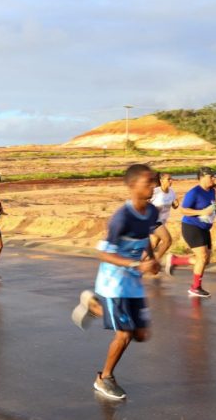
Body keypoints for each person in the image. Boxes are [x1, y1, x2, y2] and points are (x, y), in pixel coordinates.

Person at [71, 164, 160, 400]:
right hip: (114, 282)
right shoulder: (122, 217)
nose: (153, 186)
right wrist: (136, 265)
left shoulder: (151, 212)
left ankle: (94, 307)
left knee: (142, 334)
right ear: (132, 186)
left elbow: (146, 237)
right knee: (125, 334)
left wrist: (151, 258)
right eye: (148, 182)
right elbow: (104, 253)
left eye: (154, 181)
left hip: (133, 281)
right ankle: (104, 378)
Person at [165, 167, 216, 297]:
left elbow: (211, 207)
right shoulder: (194, 193)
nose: (214, 179)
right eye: (211, 177)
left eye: (214, 176)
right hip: (191, 227)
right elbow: (183, 210)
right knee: (202, 258)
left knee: (205, 260)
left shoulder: (212, 191)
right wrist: (201, 212)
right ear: (202, 177)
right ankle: (195, 287)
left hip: (204, 228)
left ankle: (175, 260)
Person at [149, 172, 179, 268]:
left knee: (153, 244)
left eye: (171, 179)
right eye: (168, 179)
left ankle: (140, 262)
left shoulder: (172, 192)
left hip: (162, 222)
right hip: (153, 220)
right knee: (167, 241)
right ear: (161, 181)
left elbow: (174, 206)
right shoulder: (155, 192)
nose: (171, 181)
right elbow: (145, 203)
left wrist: (176, 204)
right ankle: (154, 264)